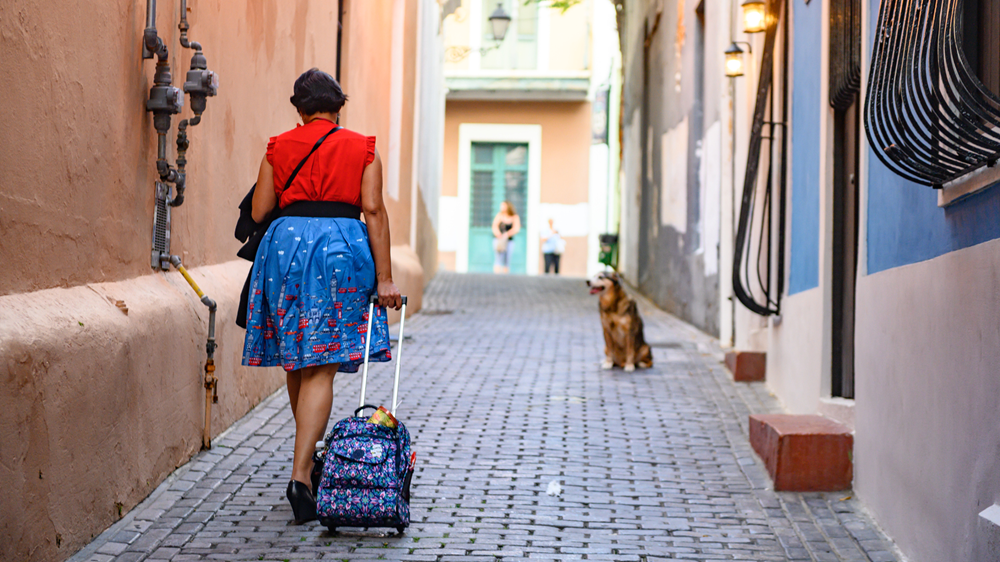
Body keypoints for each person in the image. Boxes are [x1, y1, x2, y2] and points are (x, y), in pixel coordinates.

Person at [241, 68, 402, 523]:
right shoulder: (363, 147)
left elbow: (259, 211)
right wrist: (385, 278)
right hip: (339, 251)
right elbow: (372, 209)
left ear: (299, 109)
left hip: (284, 248)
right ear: (338, 108)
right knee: (322, 365)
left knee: (299, 360)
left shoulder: (277, 146)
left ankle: (307, 467)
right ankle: (301, 475)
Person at [491, 201, 521, 274]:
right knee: (498, 257)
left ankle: (505, 275)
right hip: (499, 240)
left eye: (503, 206)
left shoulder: (514, 217)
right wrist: (498, 234)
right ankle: (497, 274)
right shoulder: (499, 215)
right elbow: (494, 226)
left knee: (507, 259)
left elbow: (516, 228)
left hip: (509, 240)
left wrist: (507, 234)